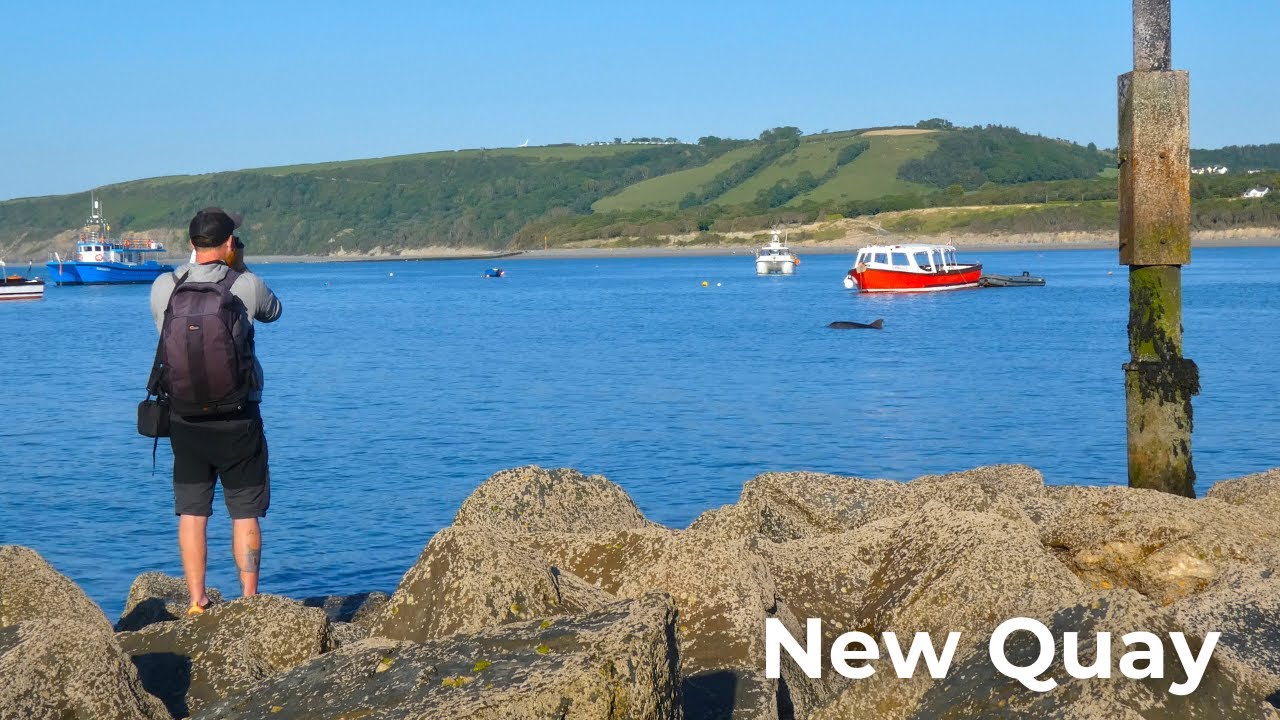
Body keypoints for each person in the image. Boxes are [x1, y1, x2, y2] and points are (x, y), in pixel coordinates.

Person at [149, 207, 282, 615]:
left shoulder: (163, 286)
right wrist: (239, 267)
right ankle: (249, 601)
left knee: (192, 511)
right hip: (238, 416)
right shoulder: (246, 284)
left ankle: (196, 600)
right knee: (244, 513)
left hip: (185, 417)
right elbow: (274, 312)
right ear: (228, 244)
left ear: (191, 244)